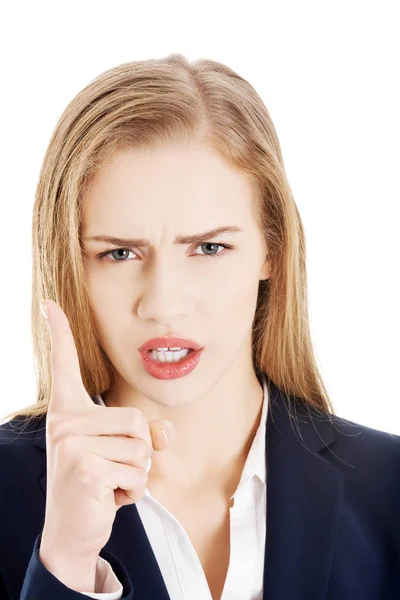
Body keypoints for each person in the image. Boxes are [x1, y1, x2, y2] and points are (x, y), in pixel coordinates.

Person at [0, 54, 399, 600]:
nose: (164, 304)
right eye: (118, 253)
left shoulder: (390, 488)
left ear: (272, 250)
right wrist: (66, 562)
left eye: (209, 247)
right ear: (71, 264)